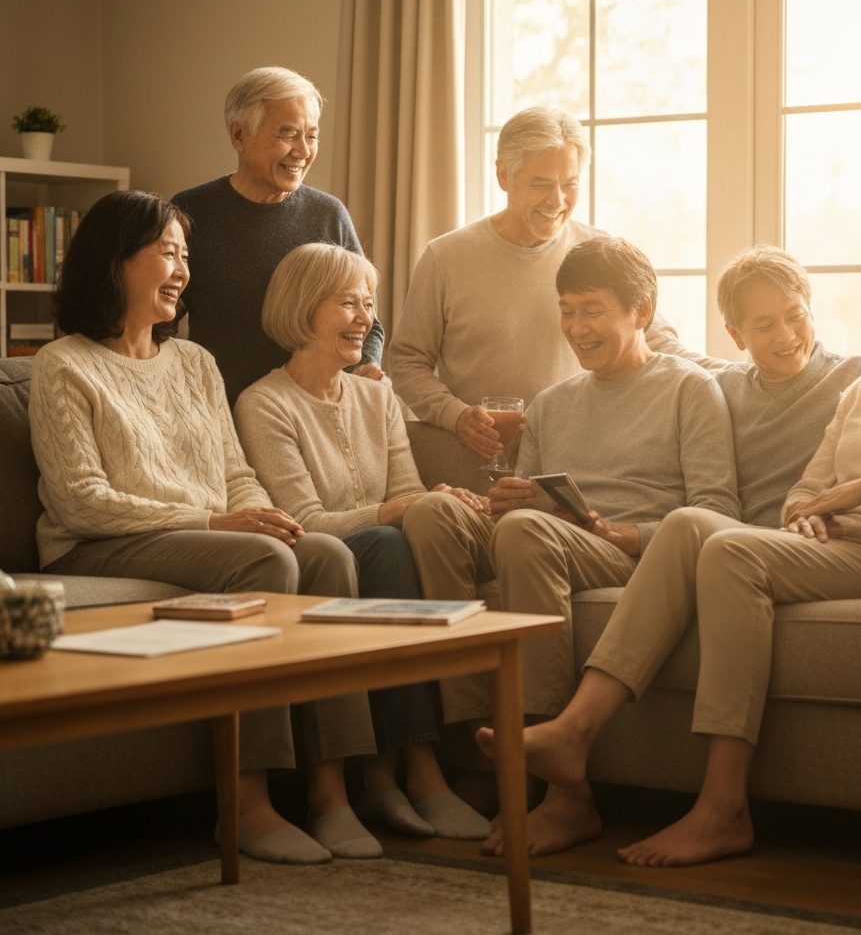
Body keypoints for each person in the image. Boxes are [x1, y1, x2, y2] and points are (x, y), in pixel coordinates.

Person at [484, 241, 861, 867]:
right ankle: (575, 733)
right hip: (831, 550)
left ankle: (722, 809)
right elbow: (808, 486)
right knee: (691, 525)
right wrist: (804, 513)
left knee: (733, 553)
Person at [29, 190, 383, 867]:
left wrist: (265, 514)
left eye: (185, 255)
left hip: (201, 533)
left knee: (327, 555)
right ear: (114, 260)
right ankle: (246, 802)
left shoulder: (194, 362)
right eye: (165, 252)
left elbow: (232, 471)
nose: (181, 269)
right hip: (99, 546)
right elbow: (80, 501)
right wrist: (218, 520)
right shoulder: (63, 364)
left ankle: (332, 792)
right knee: (265, 564)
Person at [402, 236, 740, 777]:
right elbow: (519, 511)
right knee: (430, 513)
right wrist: (505, 501)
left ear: (642, 313)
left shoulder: (690, 390)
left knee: (526, 532)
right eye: (567, 312)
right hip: (546, 537)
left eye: (593, 312)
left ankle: (548, 767)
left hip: (627, 552)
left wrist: (629, 534)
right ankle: (468, 736)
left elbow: (718, 510)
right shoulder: (552, 402)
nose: (577, 328)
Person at [233, 242, 491, 841]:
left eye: (368, 305)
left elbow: (406, 489)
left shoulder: (378, 396)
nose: (365, 318)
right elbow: (303, 520)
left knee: (398, 540)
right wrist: (399, 507)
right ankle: (409, 773)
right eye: (347, 303)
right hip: (314, 557)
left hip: (376, 552)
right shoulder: (264, 403)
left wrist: (434, 498)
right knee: (386, 544)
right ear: (303, 308)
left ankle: (391, 777)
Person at [388, 106, 689, 462]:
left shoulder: (598, 252)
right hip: (478, 457)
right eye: (541, 184)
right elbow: (406, 362)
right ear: (503, 174)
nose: (557, 201)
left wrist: (741, 374)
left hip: (581, 453)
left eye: (570, 184)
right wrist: (455, 415)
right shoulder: (446, 257)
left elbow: (658, 341)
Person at [173, 65, 384, 404]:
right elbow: (160, 320)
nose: (303, 150)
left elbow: (369, 322)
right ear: (239, 135)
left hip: (312, 415)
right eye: (288, 134)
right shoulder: (190, 211)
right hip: (218, 411)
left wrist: (367, 366)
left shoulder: (329, 215)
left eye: (311, 136)